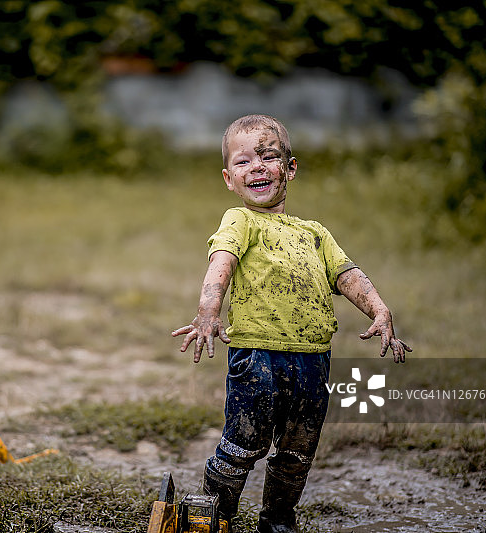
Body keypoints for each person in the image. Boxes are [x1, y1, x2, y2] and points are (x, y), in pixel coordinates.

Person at [171, 114, 411, 533]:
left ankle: (278, 519)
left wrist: (379, 309)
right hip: (258, 357)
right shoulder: (241, 220)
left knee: (298, 451)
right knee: (244, 442)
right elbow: (221, 262)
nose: (257, 167)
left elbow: (347, 275)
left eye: (268, 157)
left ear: (290, 168)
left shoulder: (315, 233)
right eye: (244, 162)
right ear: (229, 178)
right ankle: (212, 514)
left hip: (313, 361)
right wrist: (208, 312)